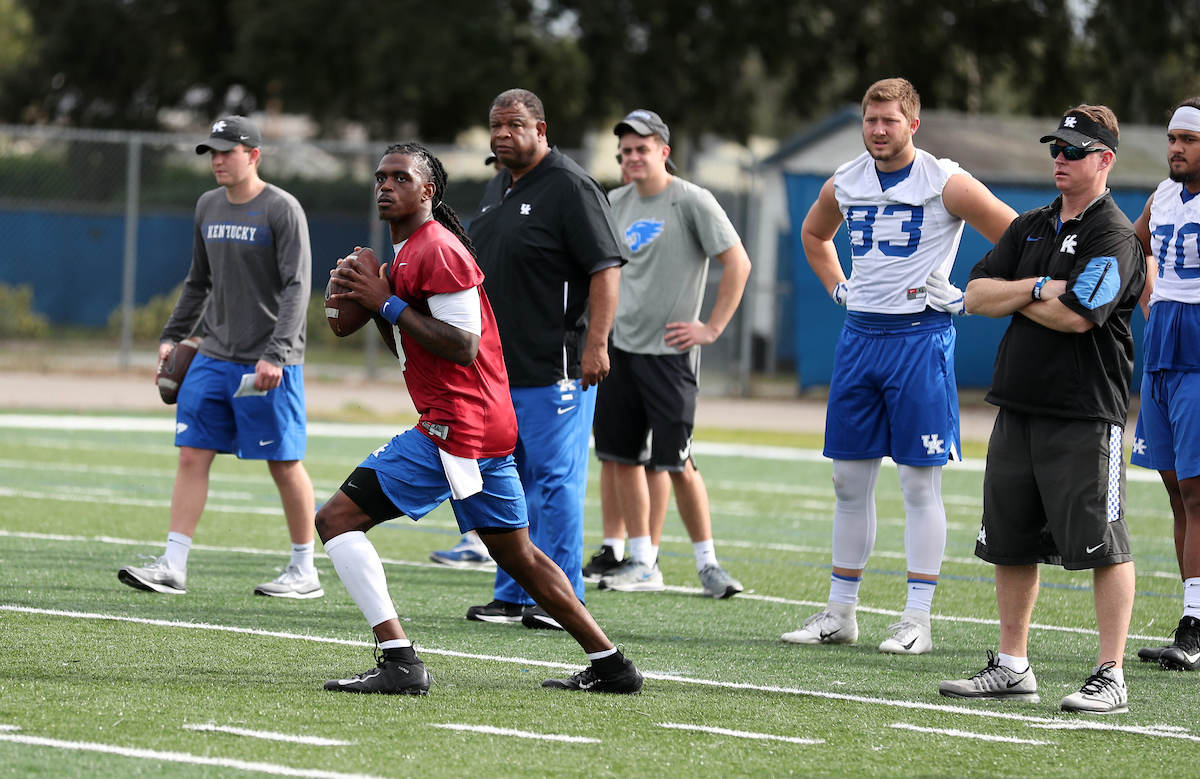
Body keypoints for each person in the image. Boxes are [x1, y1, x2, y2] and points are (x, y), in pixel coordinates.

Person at [318, 143, 641, 695]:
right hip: (479, 422)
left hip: (458, 425)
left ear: (429, 192)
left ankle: (399, 661)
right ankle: (612, 665)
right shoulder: (406, 255)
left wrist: (386, 301)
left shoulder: (437, 249)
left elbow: (464, 346)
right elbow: (410, 341)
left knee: (335, 520)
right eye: (380, 177)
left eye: (401, 177)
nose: (385, 186)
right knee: (518, 555)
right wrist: (377, 305)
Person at [783, 78, 1016, 653]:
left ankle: (918, 618)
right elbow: (815, 236)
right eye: (870, 120)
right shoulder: (847, 180)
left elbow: (1015, 234)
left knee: (917, 482)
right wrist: (840, 289)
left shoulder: (944, 180)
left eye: (889, 120)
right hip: (860, 336)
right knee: (847, 479)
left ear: (914, 124)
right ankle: (841, 611)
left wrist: (966, 292)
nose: (878, 130)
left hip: (919, 338)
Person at [939, 105, 1145, 713]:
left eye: (1075, 151)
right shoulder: (1029, 224)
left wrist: (1021, 296)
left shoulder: (1115, 235)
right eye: (1056, 148)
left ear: (1105, 160)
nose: (1061, 158)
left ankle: (1111, 673)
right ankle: (1012, 664)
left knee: (1105, 543)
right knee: (1009, 540)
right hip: (1017, 406)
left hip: (1084, 412)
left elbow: (1076, 316)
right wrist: (1034, 287)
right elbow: (974, 294)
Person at [118, 116, 319, 599]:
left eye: (228, 151)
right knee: (191, 455)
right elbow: (198, 281)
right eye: (212, 151)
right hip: (212, 353)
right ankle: (173, 565)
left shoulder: (281, 209)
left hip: (268, 361)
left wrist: (276, 353)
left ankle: (304, 569)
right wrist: (173, 334)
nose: (218, 160)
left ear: (254, 155)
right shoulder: (207, 205)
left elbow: (297, 287)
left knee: (283, 463)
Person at [463, 88, 624, 630]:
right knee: (505, 479)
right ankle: (513, 593)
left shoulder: (571, 186)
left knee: (554, 482)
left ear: (541, 128)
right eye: (496, 125)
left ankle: (562, 598)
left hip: (556, 366)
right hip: (497, 369)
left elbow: (606, 268)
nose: (502, 134)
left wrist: (596, 343)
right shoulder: (497, 186)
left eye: (513, 125)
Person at [583, 110, 752, 599]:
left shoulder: (692, 200)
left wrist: (712, 327)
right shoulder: (614, 202)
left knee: (677, 461)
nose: (632, 158)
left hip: (670, 355)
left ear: (664, 151)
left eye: (641, 148)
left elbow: (736, 261)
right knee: (620, 458)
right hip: (619, 350)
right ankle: (641, 560)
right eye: (625, 151)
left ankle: (708, 564)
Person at [1130, 98, 1200, 671]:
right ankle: (1194, 616)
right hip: (1162, 350)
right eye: (1173, 138)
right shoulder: (1163, 195)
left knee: (1198, 493)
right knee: (1176, 490)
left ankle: (1195, 625)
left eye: (1189, 140)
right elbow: (1135, 246)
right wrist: (1151, 297)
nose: (1176, 148)